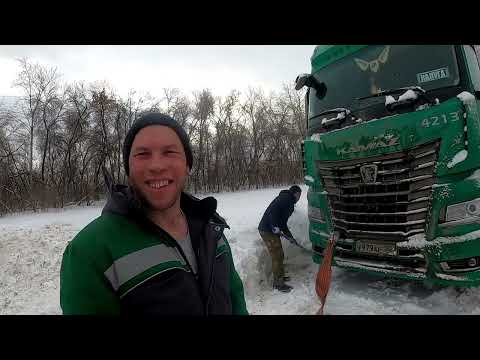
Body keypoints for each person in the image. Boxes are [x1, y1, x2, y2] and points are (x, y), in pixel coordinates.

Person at [60, 112, 248, 315]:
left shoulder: (211, 230)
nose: (157, 166)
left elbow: (236, 302)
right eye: (142, 154)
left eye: (169, 152)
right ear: (128, 168)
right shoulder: (91, 251)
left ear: (187, 165)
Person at [258, 185, 302, 293]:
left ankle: (280, 277)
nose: (299, 198)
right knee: (277, 255)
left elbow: (283, 223)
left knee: (280, 254)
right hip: (267, 230)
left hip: (271, 229)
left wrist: (290, 237)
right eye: (299, 195)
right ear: (296, 194)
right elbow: (272, 212)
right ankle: (278, 283)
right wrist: (274, 226)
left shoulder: (287, 200)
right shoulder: (286, 200)